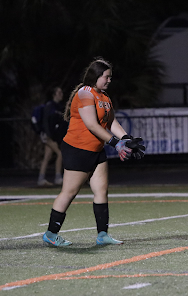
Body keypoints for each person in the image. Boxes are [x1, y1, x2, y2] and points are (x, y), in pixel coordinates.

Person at [42, 57, 145, 247]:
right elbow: (91, 124)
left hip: (96, 149)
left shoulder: (105, 98)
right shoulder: (85, 93)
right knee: (69, 192)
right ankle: (51, 233)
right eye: (106, 77)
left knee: (101, 191)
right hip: (78, 149)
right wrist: (116, 143)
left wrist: (126, 139)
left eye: (110, 77)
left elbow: (112, 123)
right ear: (95, 75)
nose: (109, 80)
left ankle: (102, 235)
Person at [37, 87, 66, 187]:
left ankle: (41, 179)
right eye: (59, 92)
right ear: (54, 94)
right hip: (47, 135)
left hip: (51, 136)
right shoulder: (50, 106)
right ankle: (58, 178)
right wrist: (49, 136)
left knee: (47, 156)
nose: (61, 94)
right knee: (60, 153)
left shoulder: (58, 106)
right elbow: (45, 122)